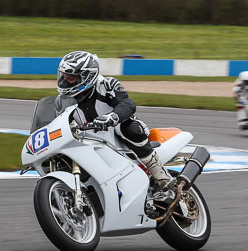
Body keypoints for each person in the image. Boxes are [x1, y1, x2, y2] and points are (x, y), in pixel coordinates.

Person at [56, 50, 173, 190]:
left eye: (70, 77)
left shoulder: (107, 84)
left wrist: (111, 117)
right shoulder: (63, 101)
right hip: (89, 142)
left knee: (129, 127)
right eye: (63, 76)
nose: (64, 81)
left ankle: (160, 175)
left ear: (86, 76)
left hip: (116, 138)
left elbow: (128, 104)